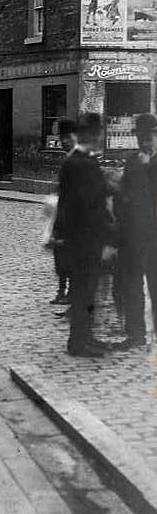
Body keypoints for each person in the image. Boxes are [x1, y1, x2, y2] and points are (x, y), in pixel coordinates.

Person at [53, 112, 112, 356]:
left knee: (87, 291)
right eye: (96, 134)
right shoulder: (77, 163)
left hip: (86, 238)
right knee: (83, 291)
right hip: (83, 239)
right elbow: (86, 204)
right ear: (89, 134)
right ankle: (79, 342)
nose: (98, 138)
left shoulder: (83, 160)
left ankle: (86, 336)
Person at [112, 112, 157, 350]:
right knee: (132, 287)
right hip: (133, 237)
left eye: (149, 136)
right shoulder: (131, 162)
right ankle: (136, 335)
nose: (145, 141)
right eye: (141, 136)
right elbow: (121, 197)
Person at [48, 118, 78, 306]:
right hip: (63, 215)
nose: (64, 141)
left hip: (75, 217)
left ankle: (71, 292)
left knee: (71, 256)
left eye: (68, 137)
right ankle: (62, 291)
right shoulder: (67, 159)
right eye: (62, 137)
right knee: (60, 255)